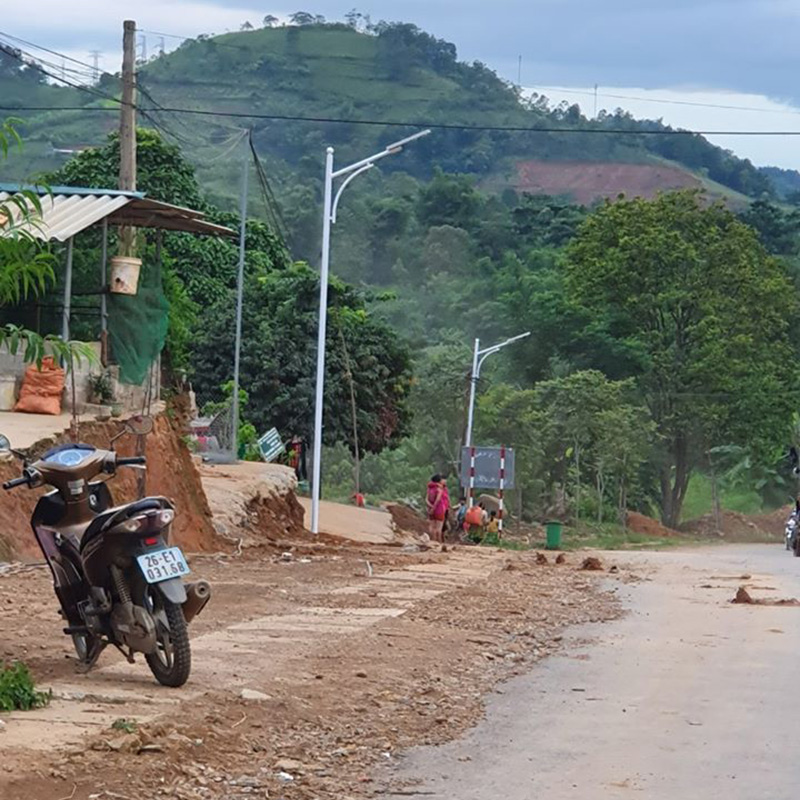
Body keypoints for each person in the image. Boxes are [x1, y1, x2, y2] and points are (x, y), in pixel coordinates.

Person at [426, 474, 448, 543]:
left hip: (430, 510)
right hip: (439, 509)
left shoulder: (429, 488)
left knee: (431, 527)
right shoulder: (439, 489)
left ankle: (432, 541)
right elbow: (438, 500)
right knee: (439, 528)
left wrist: (430, 507)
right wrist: (434, 508)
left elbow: (426, 499)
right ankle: (438, 543)